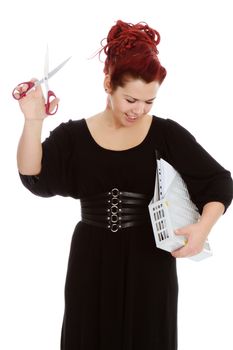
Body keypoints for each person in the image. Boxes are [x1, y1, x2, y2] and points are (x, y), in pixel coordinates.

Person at [16, 20, 233, 350]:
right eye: (131, 100)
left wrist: (203, 227)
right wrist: (33, 121)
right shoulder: (74, 136)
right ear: (108, 84)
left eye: (149, 102)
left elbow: (219, 181)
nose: (140, 110)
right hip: (91, 257)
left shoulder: (166, 134)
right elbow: (34, 175)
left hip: (151, 261)